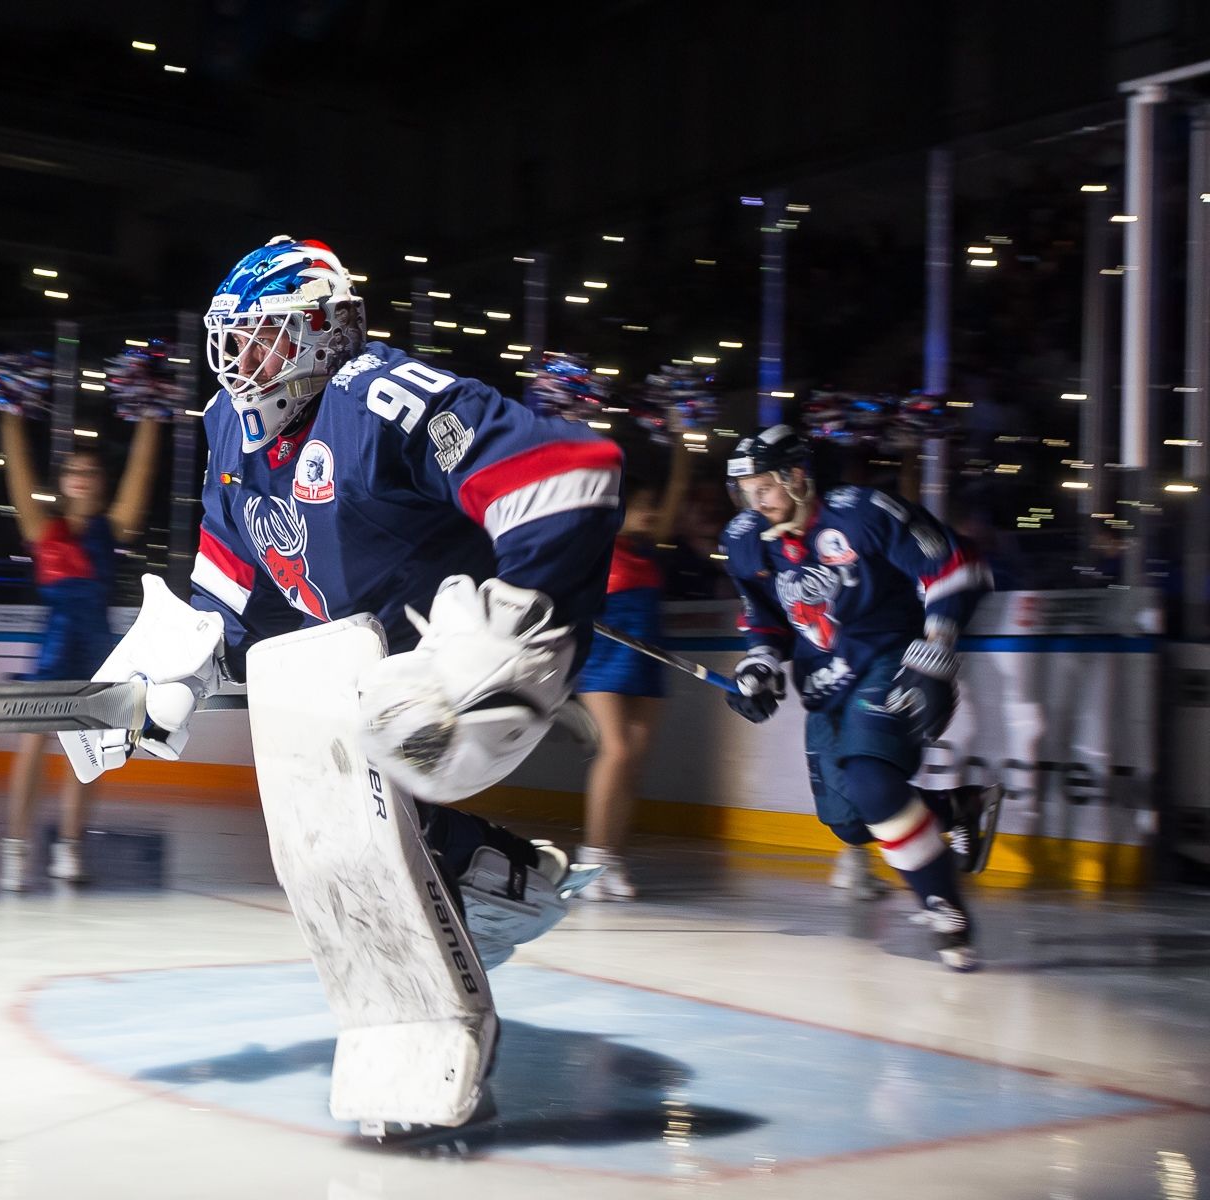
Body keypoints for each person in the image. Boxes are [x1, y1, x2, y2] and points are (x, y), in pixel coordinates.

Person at [80, 235, 623, 965]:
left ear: (323, 331)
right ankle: (506, 884)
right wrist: (182, 663)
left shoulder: (372, 397)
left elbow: (566, 476)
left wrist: (525, 617)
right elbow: (232, 579)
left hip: (448, 663)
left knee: (381, 754)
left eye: (262, 340)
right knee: (328, 807)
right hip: (364, 666)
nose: (241, 365)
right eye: (232, 343)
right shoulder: (226, 428)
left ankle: (493, 887)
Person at [718, 424, 997, 970]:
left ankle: (946, 910)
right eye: (747, 491)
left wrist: (937, 648)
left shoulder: (863, 513)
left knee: (872, 779)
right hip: (825, 686)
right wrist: (759, 665)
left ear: (798, 478)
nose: (756, 502)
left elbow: (956, 567)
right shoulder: (746, 540)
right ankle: (952, 808)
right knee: (848, 820)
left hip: (885, 661)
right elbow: (766, 621)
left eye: (765, 487)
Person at [0, 406, 162, 890]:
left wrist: (150, 415)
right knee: (31, 750)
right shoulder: (42, 531)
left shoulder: (113, 532)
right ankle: (16, 848)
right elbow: (17, 474)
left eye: (91, 471)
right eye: (73, 470)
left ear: (102, 484)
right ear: (63, 481)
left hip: (98, 660)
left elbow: (142, 472)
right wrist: (9, 417)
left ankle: (71, 849)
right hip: (50, 658)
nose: (82, 477)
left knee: (87, 758)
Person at [569, 438, 692, 900]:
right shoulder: (596, 546)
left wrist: (685, 439)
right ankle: (590, 859)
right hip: (604, 659)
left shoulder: (651, 548)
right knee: (616, 751)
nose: (651, 514)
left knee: (634, 762)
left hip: (648, 657)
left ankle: (611, 859)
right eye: (641, 507)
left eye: (652, 508)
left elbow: (678, 490)